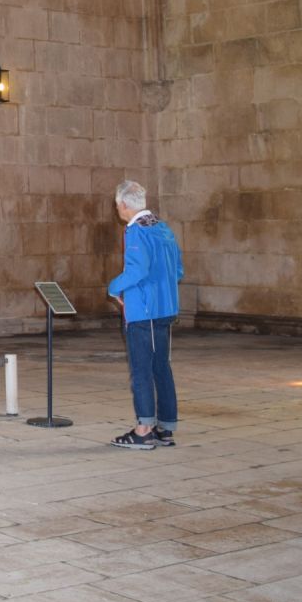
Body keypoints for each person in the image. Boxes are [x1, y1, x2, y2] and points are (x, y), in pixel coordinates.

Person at [107, 180, 183, 449]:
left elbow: (137, 271)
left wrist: (113, 287)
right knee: (161, 367)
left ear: (123, 204)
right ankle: (165, 428)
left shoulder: (136, 231)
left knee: (141, 370)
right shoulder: (163, 228)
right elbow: (178, 270)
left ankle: (143, 430)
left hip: (144, 311)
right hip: (166, 309)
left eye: (117, 205)